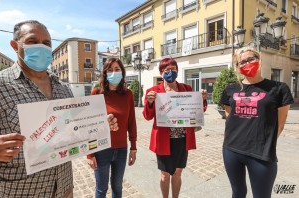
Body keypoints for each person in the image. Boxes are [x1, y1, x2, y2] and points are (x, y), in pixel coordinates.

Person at [0, 20, 118, 198]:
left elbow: (71, 129)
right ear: (15, 46)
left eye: (46, 43)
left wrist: (98, 125)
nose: (41, 47)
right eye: (32, 41)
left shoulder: (63, 87)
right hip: (16, 193)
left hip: (63, 189)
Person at [220, 46, 294, 198]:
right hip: (231, 149)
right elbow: (230, 117)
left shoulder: (279, 88)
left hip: (261, 154)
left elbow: (280, 124)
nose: (247, 63)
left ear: (259, 60)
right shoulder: (231, 89)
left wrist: (263, 140)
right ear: (238, 67)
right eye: (242, 62)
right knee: (238, 192)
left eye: (251, 59)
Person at [142, 58, 207, 198]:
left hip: (182, 139)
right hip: (163, 139)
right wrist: (150, 102)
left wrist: (202, 99)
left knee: (178, 173)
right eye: (167, 70)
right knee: (165, 175)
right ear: (161, 72)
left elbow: (198, 110)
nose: (171, 72)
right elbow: (147, 116)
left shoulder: (186, 89)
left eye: (174, 69)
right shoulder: (153, 91)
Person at [87, 58, 137, 198]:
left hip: (121, 150)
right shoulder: (97, 93)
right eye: (110, 70)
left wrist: (133, 147)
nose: (113, 73)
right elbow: (89, 124)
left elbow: (131, 122)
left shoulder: (128, 94)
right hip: (101, 149)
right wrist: (90, 154)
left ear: (122, 72)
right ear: (105, 73)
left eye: (117, 69)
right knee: (101, 189)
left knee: (117, 187)